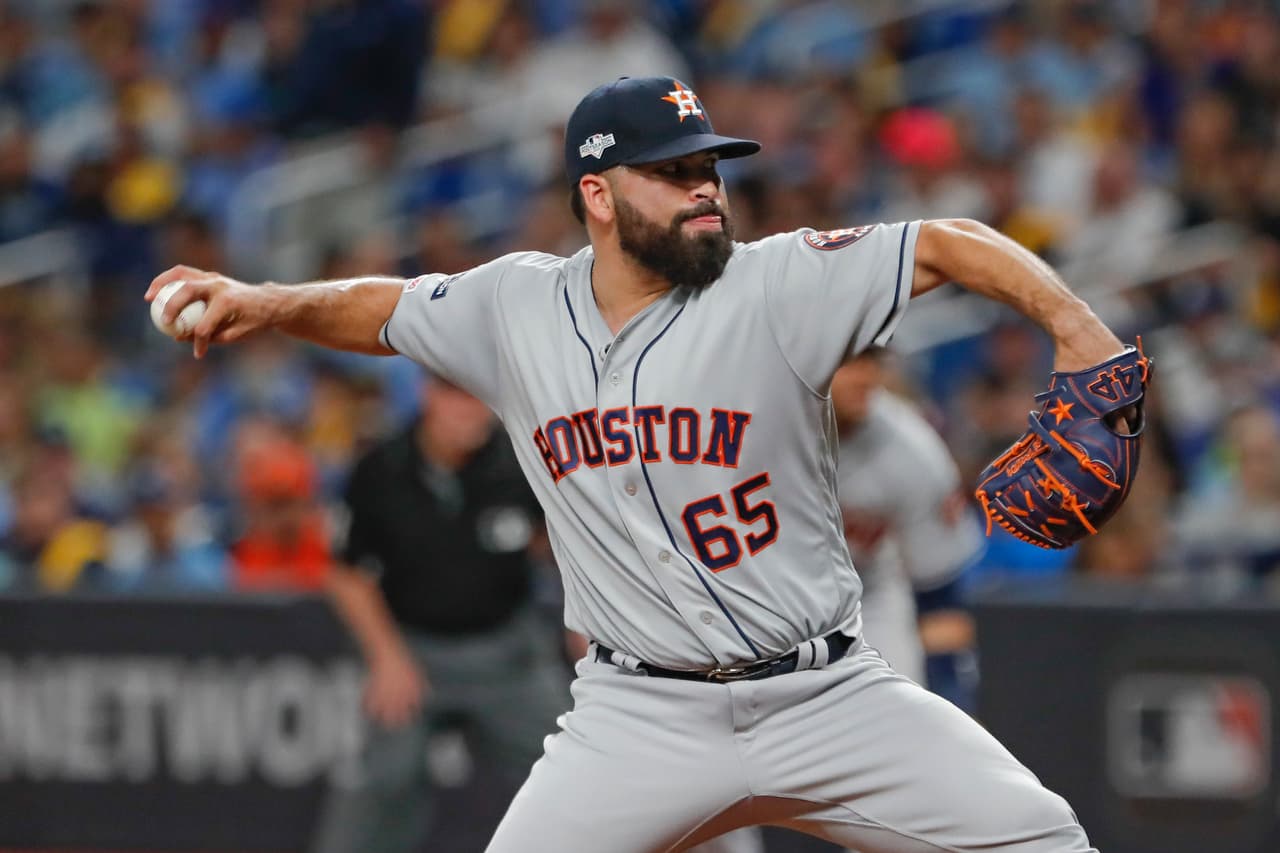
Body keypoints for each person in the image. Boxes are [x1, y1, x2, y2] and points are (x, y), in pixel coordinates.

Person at [149, 76, 1123, 852]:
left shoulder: (778, 283)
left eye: (710, 165)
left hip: (826, 693)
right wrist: (266, 300)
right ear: (598, 195)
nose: (705, 188)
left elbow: (949, 244)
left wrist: (1079, 334)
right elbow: (386, 309)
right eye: (673, 171)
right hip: (639, 714)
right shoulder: (514, 307)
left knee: (1040, 839)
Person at [310, 373, 570, 853]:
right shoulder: (382, 467)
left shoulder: (523, 461)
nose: (469, 410)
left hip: (507, 655)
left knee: (575, 769)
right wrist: (386, 657)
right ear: (430, 395)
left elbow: (569, 553)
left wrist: (590, 638)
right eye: (457, 396)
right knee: (382, 782)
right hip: (415, 653)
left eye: (479, 396)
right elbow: (346, 574)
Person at [830, 350, 985, 704]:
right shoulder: (758, 424)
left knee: (901, 705)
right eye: (850, 361)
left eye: (873, 361)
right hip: (765, 598)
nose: (865, 377)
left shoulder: (912, 451)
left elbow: (941, 599)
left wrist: (951, 706)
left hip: (865, 598)